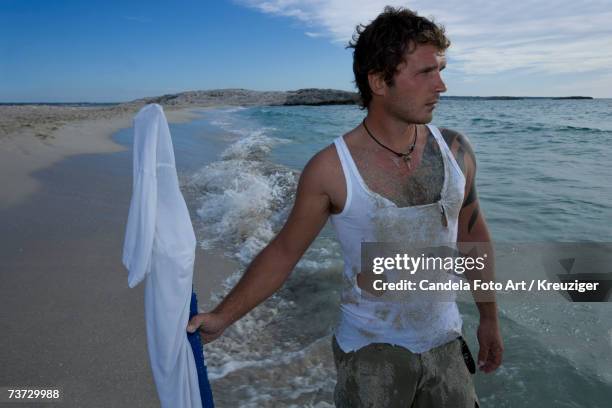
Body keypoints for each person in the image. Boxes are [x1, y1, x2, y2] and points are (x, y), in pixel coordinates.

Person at [187, 6, 503, 407]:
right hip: (370, 352)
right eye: (425, 72)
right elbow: (284, 252)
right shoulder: (331, 169)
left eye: (440, 69)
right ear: (379, 81)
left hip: (446, 341)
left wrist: (489, 317)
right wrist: (223, 316)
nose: (441, 85)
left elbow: (471, 235)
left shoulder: (455, 149)